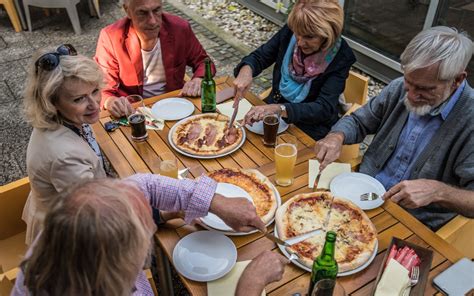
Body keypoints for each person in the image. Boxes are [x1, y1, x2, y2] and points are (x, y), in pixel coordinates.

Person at [11, 175, 288, 295]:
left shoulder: (68, 232)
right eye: (146, 233)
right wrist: (250, 285)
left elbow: (143, 185)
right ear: (120, 267)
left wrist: (215, 202)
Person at [315, 26, 474, 230]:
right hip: (362, 195)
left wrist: (438, 192)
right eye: (409, 82)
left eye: (425, 89)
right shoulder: (399, 87)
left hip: (412, 223)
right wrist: (336, 136)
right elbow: (359, 121)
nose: (411, 95)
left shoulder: (469, 120)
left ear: (457, 80)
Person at [22, 45, 108, 245]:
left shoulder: (65, 119)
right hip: (68, 238)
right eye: (79, 99)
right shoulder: (65, 157)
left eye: (95, 91)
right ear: (52, 103)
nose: (94, 105)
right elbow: (95, 216)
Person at [233, 0, 356, 140]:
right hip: (274, 111)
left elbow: (323, 108)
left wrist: (280, 109)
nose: (299, 42)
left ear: (329, 34)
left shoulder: (341, 57)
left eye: (309, 36)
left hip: (310, 126)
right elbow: (260, 56)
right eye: (298, 33)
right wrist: (246, 71)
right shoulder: (292, 31)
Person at [95, 0, 215, 118]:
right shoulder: (111, 36)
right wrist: (110, 101)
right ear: (128, 11)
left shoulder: (179, 28)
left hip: (175, 103)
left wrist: (199, 79)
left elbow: (203, 62)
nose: (153, 21)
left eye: (157, 10)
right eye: (143, 12)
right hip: (134, 111)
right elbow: (102, 88)